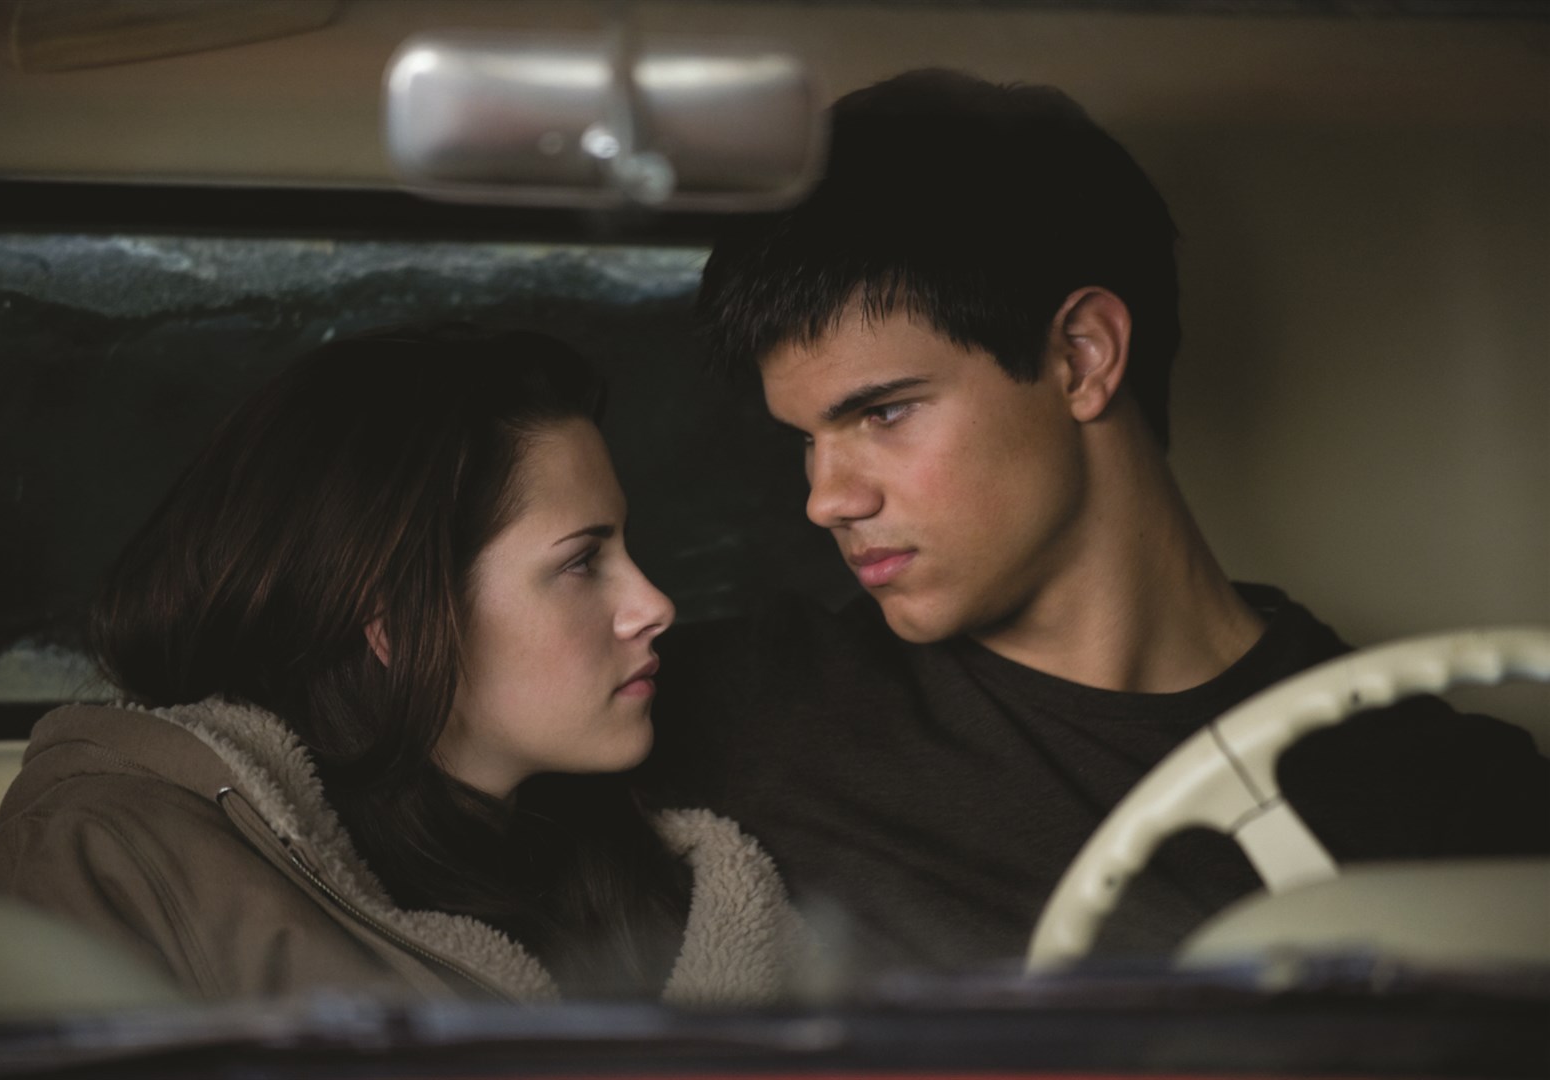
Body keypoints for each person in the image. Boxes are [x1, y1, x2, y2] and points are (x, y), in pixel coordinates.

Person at [644, 69, 1550, 982]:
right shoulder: (720, 715)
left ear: (1082, 358)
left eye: (882, 413)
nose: (826, 498)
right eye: (805, 439)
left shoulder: (1453, 800)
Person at [0, 326, 802, 1005]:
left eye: (627, 547)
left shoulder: (646, 862)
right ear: (394, 618)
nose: (654, 603)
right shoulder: (99, 863)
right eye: (582, 562)